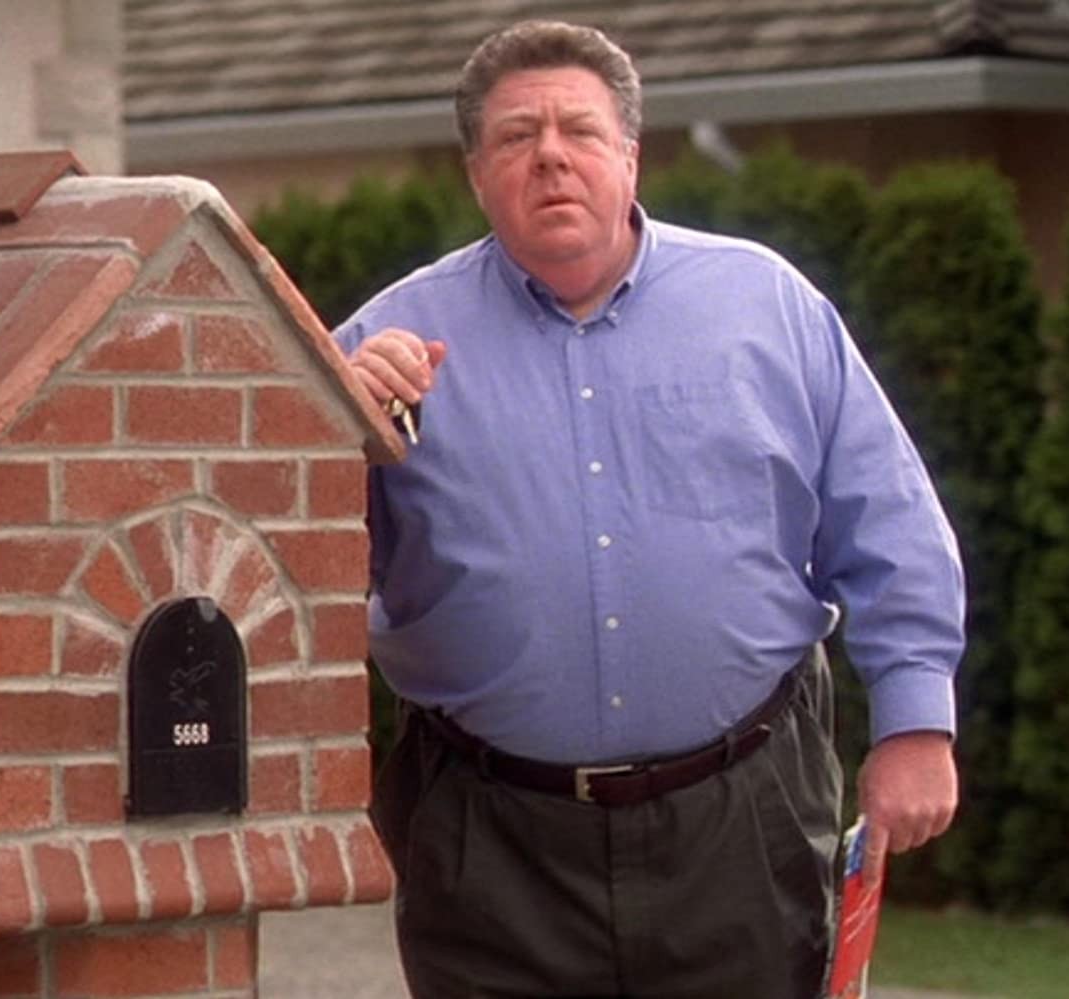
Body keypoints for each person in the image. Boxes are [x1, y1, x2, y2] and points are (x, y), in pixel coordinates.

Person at [334, 20, 963, 999]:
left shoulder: (767, 307)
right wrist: (334, 433)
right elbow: (281, 561)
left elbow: (887, 521)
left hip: (740, 821)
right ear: (475, 173)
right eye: (516, 136)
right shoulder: (384, 345)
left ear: (630, 154)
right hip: (488, 841)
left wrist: (915, 724)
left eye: (579, 131)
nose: (550, 156)